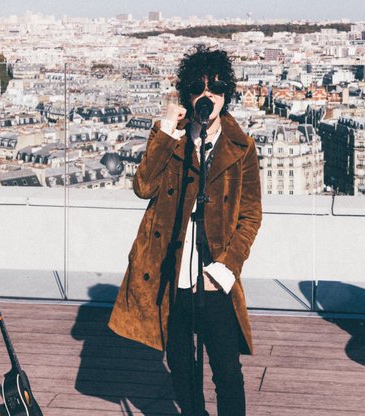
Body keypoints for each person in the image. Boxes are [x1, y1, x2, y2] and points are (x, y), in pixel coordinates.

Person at [109, 45, 262, 416]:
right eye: (199, 86)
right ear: (186, 93)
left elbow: (250, 215)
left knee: (227, 370)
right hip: (172, 273)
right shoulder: (171, 138)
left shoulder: (241, 147)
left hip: (213, 276)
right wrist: (165, 131)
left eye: (217, 86)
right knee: (181, 366)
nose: (207, 94)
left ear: (227, 95)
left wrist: (224, 269)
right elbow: (143, 187)